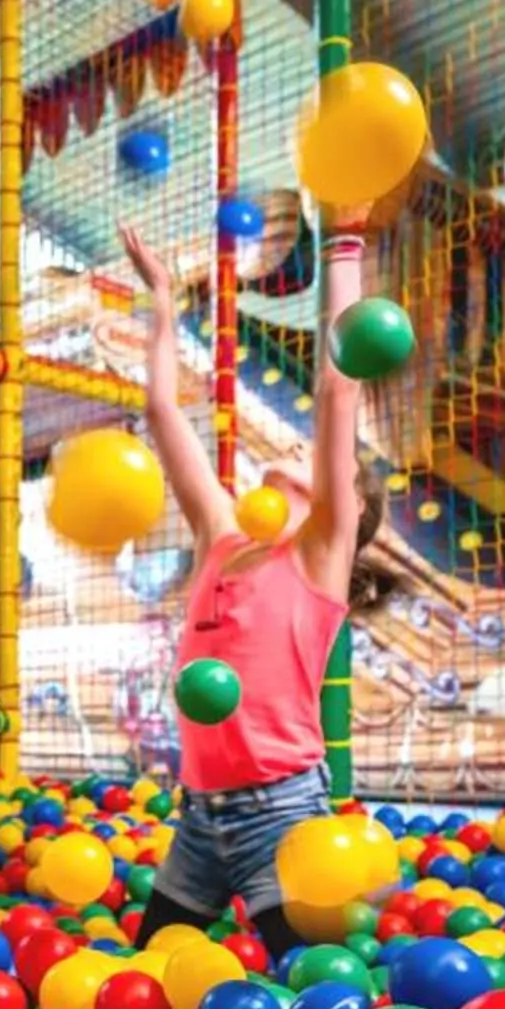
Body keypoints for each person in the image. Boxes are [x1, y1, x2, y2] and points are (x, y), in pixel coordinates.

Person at [118, 205, 383, 945]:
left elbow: (338, 391)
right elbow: (161, 410)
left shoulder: (318, 554)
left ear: (346, 504)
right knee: (147, 987)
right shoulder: (220, 537)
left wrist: (343, 244)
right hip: (200, 816)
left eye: (312, 455)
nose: (298, 447)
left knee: (315, 1000)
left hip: (283, 811)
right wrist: (165, 303)